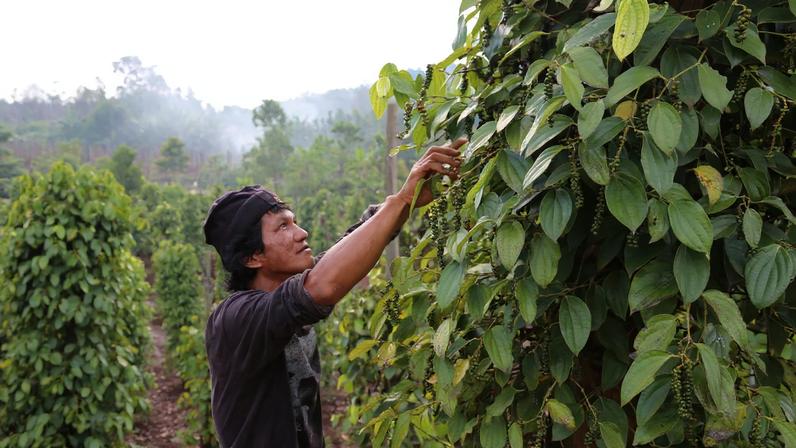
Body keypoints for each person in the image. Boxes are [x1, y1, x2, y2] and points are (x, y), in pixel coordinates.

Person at [202, 138, 466, 447]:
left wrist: (405, 202)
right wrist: (399, 201)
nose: (303, 233)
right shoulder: (236, 318)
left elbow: (339, 255)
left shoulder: (287, 287)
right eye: (283, 227)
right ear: (252, 257)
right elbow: (323, 284)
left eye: (295, 221)